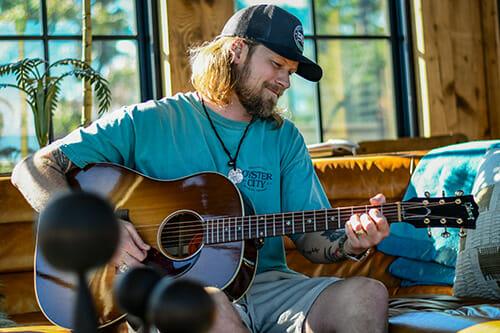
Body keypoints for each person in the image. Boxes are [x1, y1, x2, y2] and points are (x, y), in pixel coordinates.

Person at [12, 5, 390, 333]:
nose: (284, 81)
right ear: (237, 51)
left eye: (289, 72)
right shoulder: (150, 121)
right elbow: (33, 168)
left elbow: (313, 241)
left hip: (271, 287)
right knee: (209, 309)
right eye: (276, 64)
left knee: (366, 295)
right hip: (177, 291)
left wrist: (350, 241)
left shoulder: (284, 138)